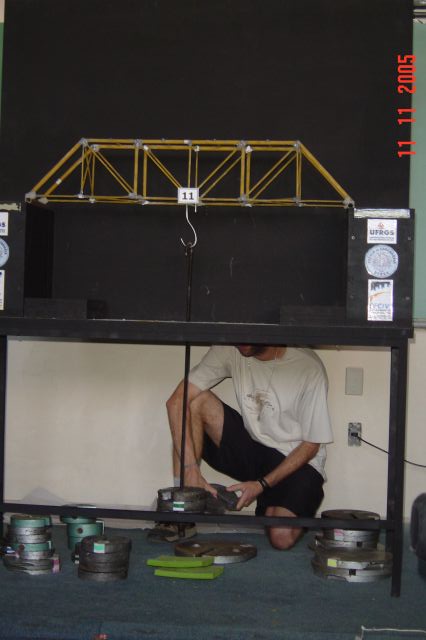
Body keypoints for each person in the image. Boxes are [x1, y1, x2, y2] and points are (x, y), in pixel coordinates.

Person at [149, 344, 333, 548]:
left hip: (298, 461)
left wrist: (261, 485)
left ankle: (273, 500)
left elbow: (311, 446)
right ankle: (182, 509)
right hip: (254, 449)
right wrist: (191, 469)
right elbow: (176, 402)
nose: (241, 341)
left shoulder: (307, 367)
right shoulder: (232, 348)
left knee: (281, 537)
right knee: (193, 400)